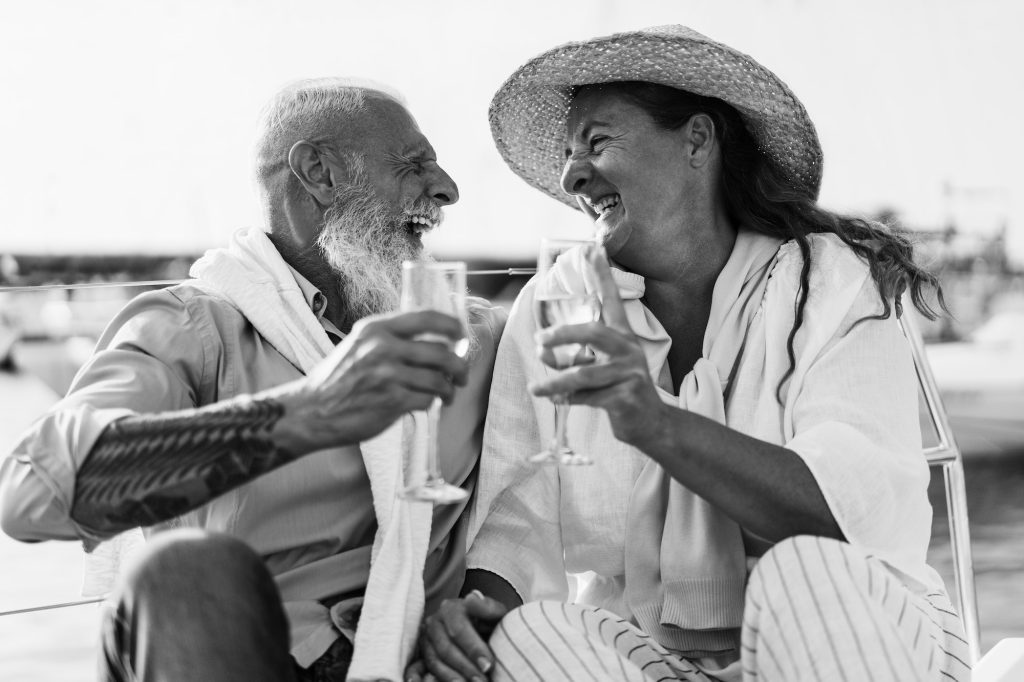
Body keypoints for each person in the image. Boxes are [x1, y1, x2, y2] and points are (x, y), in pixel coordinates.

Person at [412, 26, 969, 682]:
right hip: (652, 656)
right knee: (523, 634)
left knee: (802, 570)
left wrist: (658, 424)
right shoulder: (556, 302)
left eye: (597, 143)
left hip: (860, 636)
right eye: (567, 153)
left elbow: (843, 514)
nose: (570, 175)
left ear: (697, 140)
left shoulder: (827, 281)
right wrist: (478, 614)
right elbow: (519, 519)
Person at [0, 78, 505, 682]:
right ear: (319, 172)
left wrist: (481, 602)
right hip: (253, 657)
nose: (447, 188)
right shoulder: (192, 326)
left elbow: (532, 511)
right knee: (184, 570)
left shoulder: (473, 337)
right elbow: (29, 497)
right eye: (414, 164)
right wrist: (306, 413)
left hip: (431, 660)